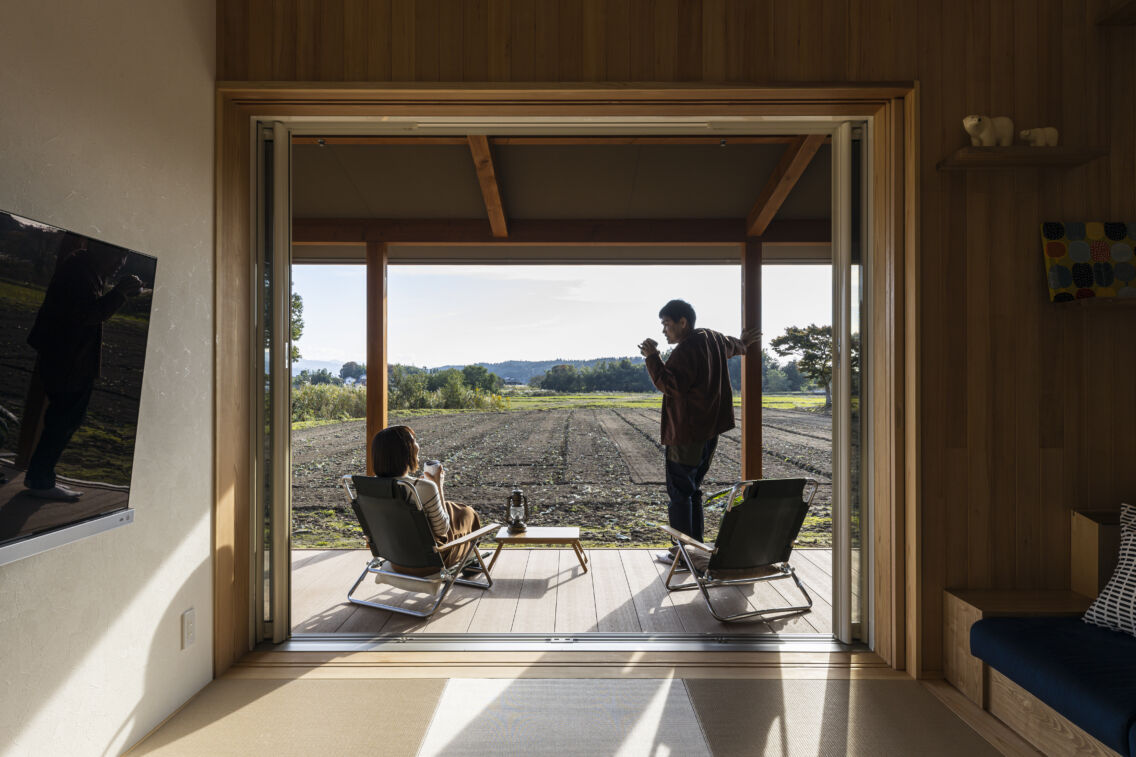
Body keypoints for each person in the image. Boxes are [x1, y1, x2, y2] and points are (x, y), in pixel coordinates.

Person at [639, 299, 760, 566]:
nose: (664, 331)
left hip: (686, 433)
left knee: (680, 493)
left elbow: (671, 385)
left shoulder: (686, 349)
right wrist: (743, 342)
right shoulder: (713, 338)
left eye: (667, 325)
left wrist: (652, 357)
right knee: (692, 490)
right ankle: (695, 549)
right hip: (709, 432)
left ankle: (683, 554)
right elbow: (733, 346)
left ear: (683, 322)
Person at [23, 241, 144, 500]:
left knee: (63, 421)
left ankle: (39, 478)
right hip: (68, 362)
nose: (119, 266)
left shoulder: (83, 269)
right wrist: (120, 293)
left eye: (123, 260)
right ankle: (40, 481)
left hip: (67, 361)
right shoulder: (79, 272)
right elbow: (87, 315)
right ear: (102, 250)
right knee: (62, 423)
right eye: (117, 258)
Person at [370, 425, 483, 575]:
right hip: (429, 564)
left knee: (457, 509)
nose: (417, 445)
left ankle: (471, 559)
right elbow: (443, 530)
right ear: (406, 451)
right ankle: (471, 560)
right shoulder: (423, 488)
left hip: (394, 560)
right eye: (414, 441)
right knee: (469, 514)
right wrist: (437, 486)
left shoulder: (371, 487)